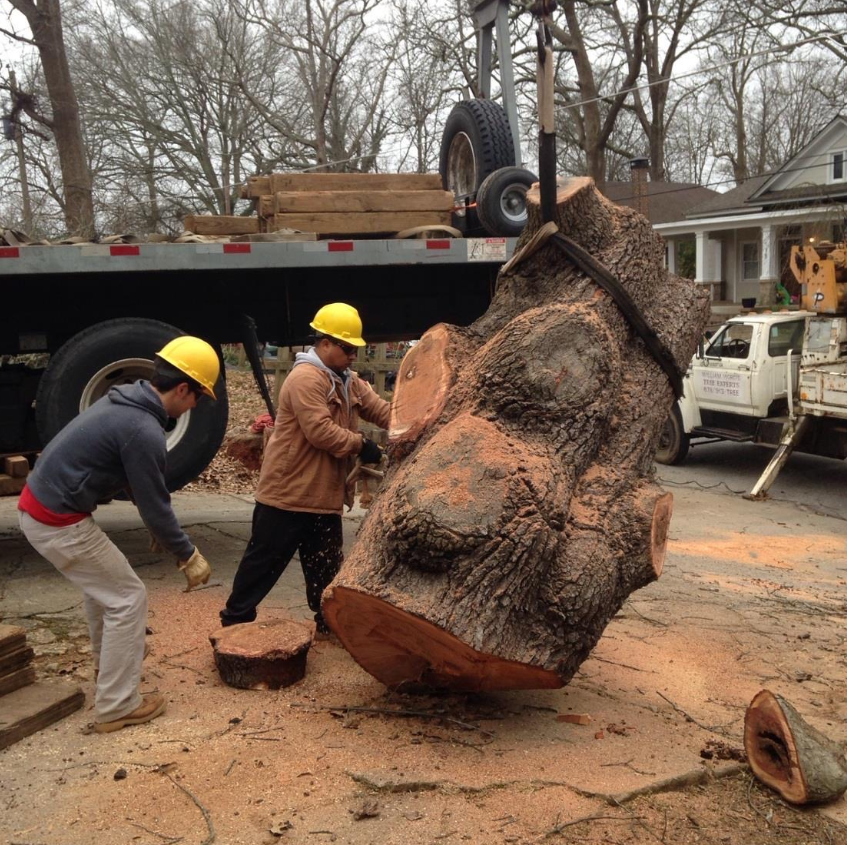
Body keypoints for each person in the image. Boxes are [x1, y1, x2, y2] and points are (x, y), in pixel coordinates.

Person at [17, 336, 219, 733]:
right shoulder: (142, 429)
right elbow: (154, 501)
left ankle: (107, 673)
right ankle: (117, 705)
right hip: (56, 520)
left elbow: (133, 484)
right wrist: (187, 555)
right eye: (198, 396)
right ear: (182, 389)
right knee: (129, 597)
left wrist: (158, 526)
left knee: (105, 590)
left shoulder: (124, 400)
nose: (196, 405)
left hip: (41, 509)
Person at [221, 302, 390, 632]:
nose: (353, 355)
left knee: (325, 570)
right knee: (263, 564)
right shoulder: (305, 379)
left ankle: (329, 624)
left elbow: (380, 409)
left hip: (324, 498)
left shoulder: (347, 380)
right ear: (324, 343)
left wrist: (413, 422)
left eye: (356, 348)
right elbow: (321, 432)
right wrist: (362, 445)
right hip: (287, 495)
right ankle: (234, 621)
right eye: (346, 348)